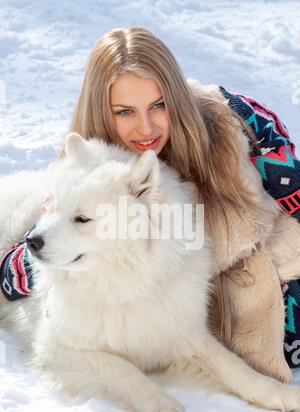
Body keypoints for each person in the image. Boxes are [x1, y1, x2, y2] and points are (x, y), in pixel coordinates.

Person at [1, 27, 299, 368]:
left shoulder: (237, 123)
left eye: (158, 106)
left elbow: (294, 193)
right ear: (102, 111)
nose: (146, 128)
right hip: (210, 316)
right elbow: (16, 271)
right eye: (125, 111)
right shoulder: (88, 166)